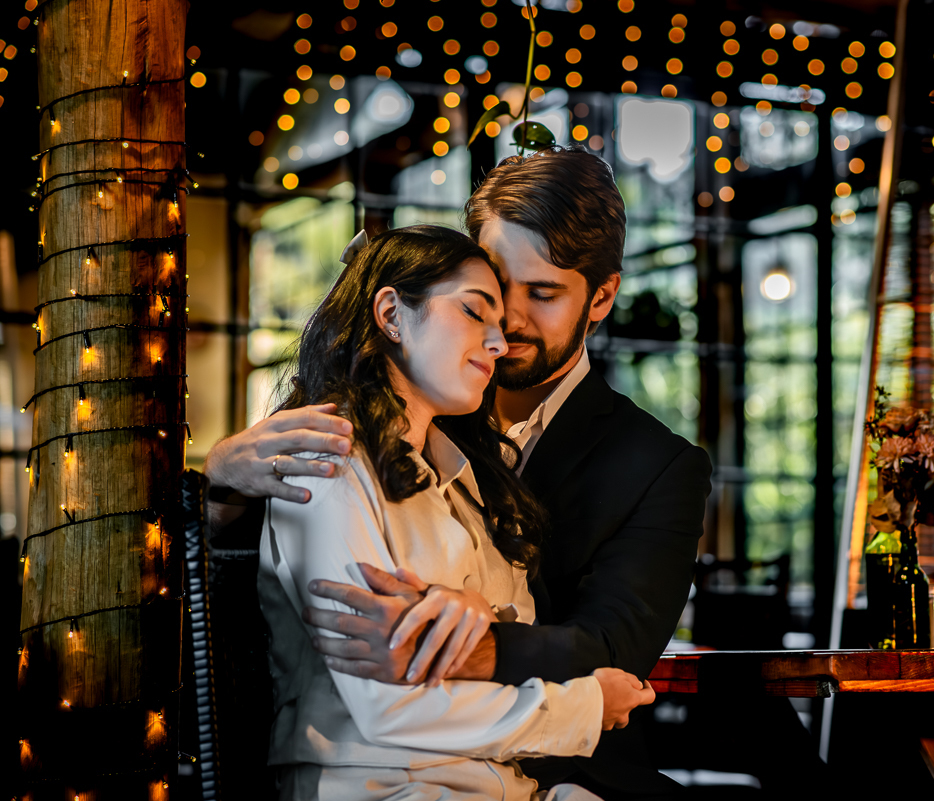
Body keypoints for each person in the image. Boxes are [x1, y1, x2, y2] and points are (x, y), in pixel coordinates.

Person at [206, 148, 713, 799]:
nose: (509, 323)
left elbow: (613, 646)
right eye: (490, 295)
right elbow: (245, 565)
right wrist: (217, 481)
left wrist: (479, 636)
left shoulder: (658, 464)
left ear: (603, 296)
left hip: (559, 767)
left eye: (543, 293)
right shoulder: (386, 418)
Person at [257, 224, 655, 800]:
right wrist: (583, 707)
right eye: (474, 312)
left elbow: (507, 643)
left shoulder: (469, 482)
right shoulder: (329, 462)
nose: (500, 343)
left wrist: (479, 622)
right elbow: (389, 706)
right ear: (391, 315)